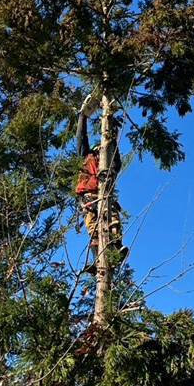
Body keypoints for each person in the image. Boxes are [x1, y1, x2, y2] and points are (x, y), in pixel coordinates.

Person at [75, 94, 128, 271]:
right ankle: (98, 259)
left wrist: (112, 135)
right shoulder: (87, 157)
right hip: (89, 196)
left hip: (104, 195)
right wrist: (82, 118)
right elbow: (81, 139)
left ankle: (116, 248)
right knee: (93, 226)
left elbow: (117, 162)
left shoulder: (109, 162)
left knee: (113, 220)